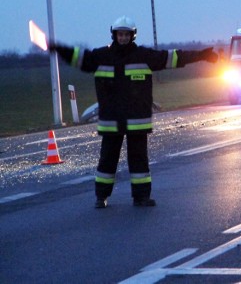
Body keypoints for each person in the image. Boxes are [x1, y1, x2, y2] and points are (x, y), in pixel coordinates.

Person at [48, 16, 219, 208]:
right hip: (112, 120)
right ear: (114, 35)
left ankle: (141, 197)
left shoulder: (144, 56)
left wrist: (201, 55)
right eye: (120, 34)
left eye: (126, 35)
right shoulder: (100, 56)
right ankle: (101, 197)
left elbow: (173, 57)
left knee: (139, 162)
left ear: (132, 36)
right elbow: (78, 57)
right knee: (107, 161)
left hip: (137, 121)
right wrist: (58, 48)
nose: (122, 38)